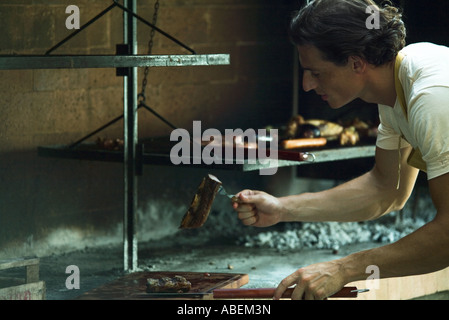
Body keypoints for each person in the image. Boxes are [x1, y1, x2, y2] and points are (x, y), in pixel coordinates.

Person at [232, 0, 449, 300]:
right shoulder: (399, 82)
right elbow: (386, 189)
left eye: (316, 73)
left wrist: (343, 269)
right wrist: (283, 208)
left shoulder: (433, 97)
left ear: (356, 63)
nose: (307, 85)